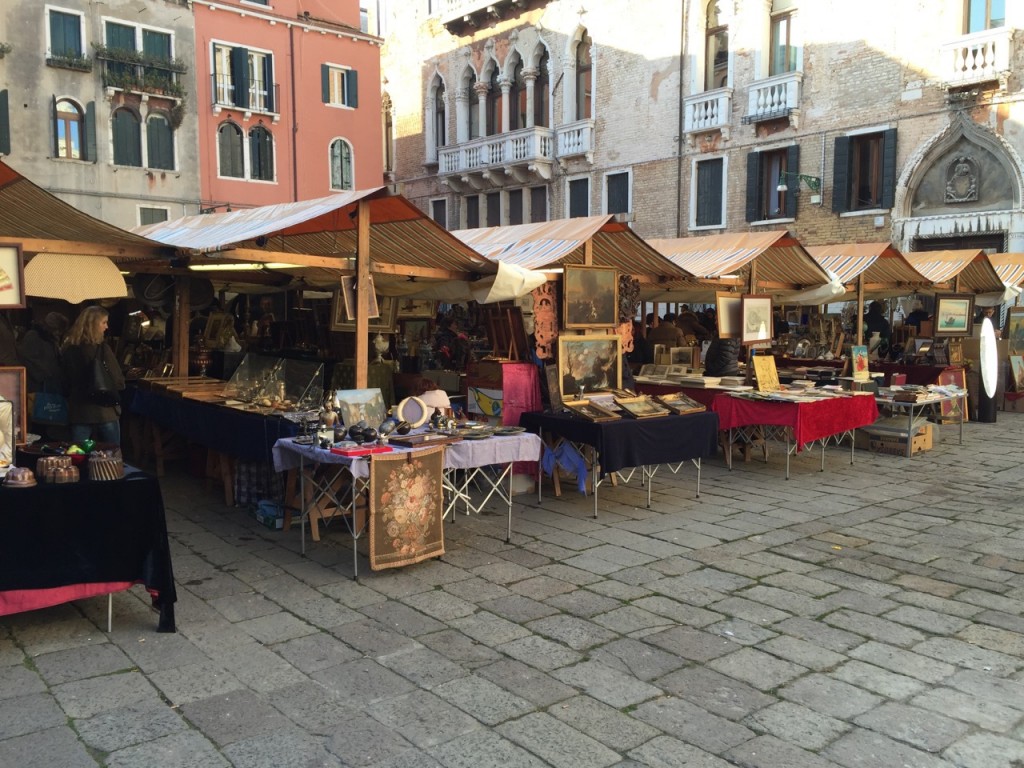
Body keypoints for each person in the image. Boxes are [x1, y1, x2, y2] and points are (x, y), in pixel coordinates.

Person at [62, 305, 125, 445]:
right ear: (93, 325)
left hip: (79, 411)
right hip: (104, 410)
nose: (106, 327)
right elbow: (117, 379)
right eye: (104, 322)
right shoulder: (102, 349)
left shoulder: (68, 349)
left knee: (78, 454)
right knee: (111, 455)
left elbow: (64, 380)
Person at [18, 312, 69, 438]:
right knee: (38, 420)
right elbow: (27, 358)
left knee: (47, 422)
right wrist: (46, 373)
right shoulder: (34, 336)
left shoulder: (50, 339)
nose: (59, 333)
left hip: (49, 385)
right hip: (38, 386)